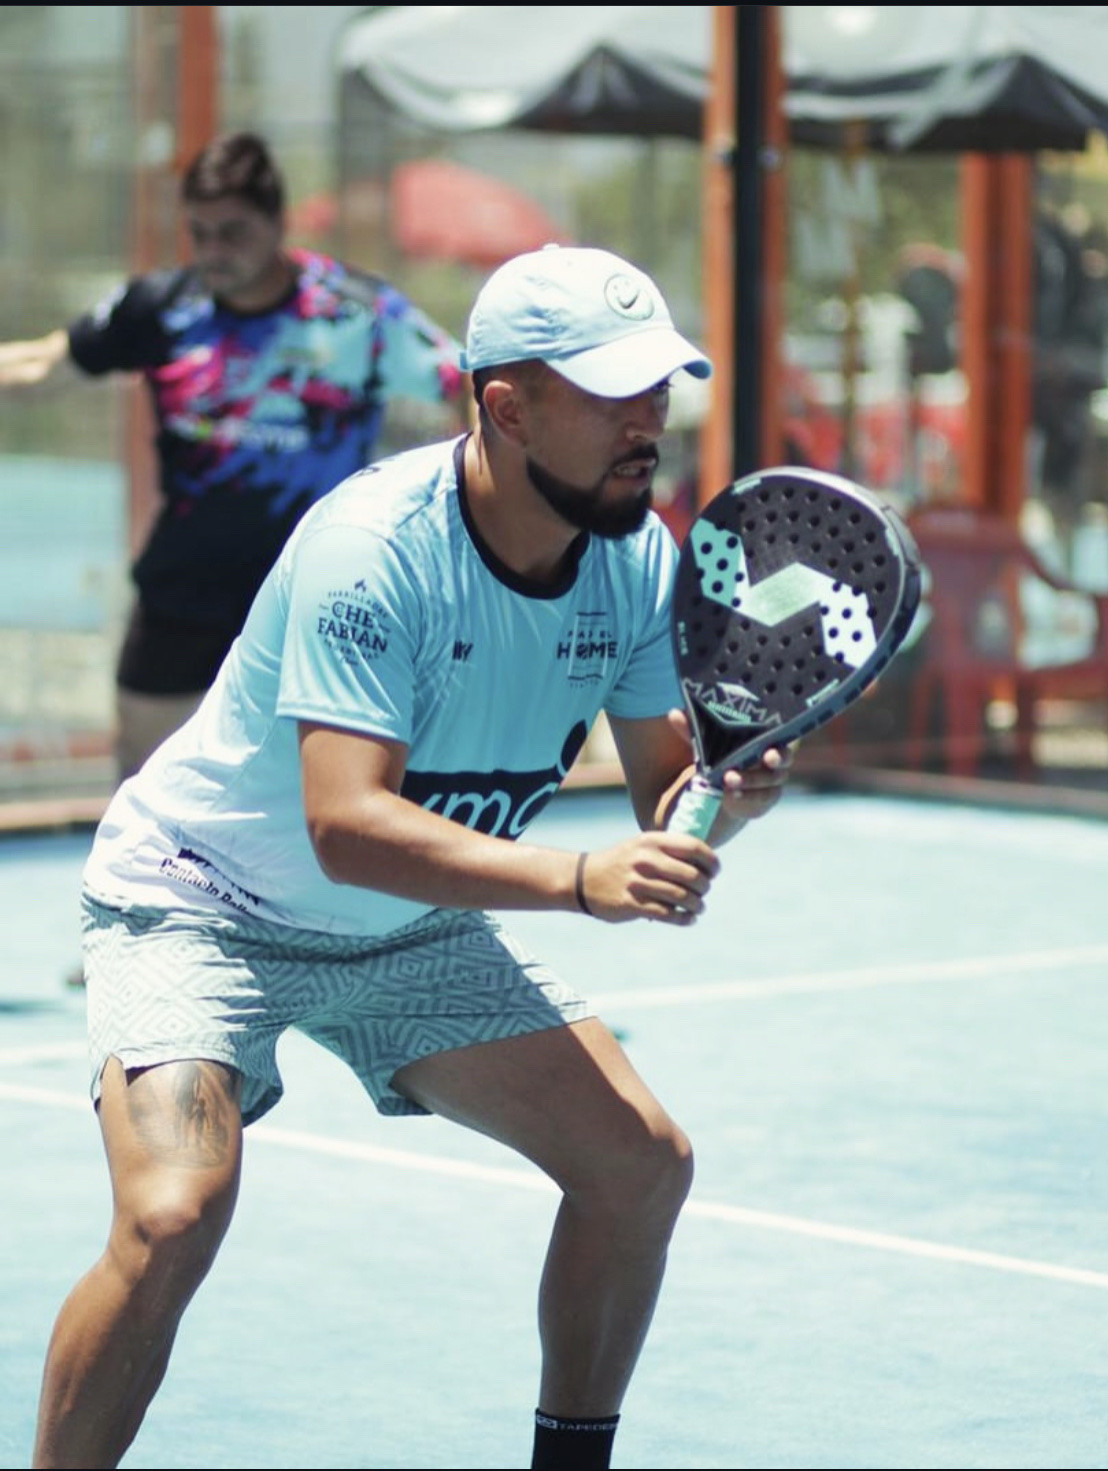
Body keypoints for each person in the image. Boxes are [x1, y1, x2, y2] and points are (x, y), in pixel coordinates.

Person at [30, 243, 793, 1471]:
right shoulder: (373, 548)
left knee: (638, 1166)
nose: (648, 420)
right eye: (612, 391)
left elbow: (667, 795)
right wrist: (577, 880)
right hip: (199, 902)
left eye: (658, 386)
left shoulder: (637, 558)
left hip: (405, 928)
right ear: (506, 405)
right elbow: (347, 824)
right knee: (172, 1213)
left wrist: (731, 795)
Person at [0, 130, 465, 785]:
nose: (214, 250)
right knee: (143, 784)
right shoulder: (163, 310)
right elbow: (45, 364)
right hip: (184, 591)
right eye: (201, 232)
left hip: (313, 593)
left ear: (277, 222)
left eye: (234, 232)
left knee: (318, 789)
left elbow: (469, 386)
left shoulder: (356, 313)